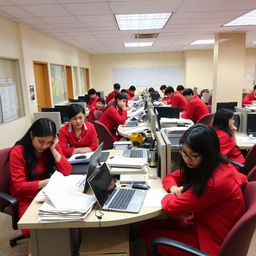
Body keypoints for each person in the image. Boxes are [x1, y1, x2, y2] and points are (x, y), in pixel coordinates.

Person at [140, 124, 247, 256]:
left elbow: (171, 208)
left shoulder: (213, 183)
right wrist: (172, 187)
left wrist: (170, 196)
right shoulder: (213, 165)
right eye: (183, 152)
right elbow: (171, 177)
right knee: (147, 227)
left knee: (152, 237)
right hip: (202, 225)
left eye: (192, 155)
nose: (186, 159)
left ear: (207, 154)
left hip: (211, 240)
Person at [9, 118, 72, 254]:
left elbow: (67, 171)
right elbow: (19, 186)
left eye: (48, 142)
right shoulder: (18, 152)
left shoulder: (50, 146)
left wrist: (54, 149)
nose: (44, 146)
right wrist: (47, 182)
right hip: (26, 195)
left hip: (46, 192)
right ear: (32, 135)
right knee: (35, 226)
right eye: (41, 141)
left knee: (67, 217)